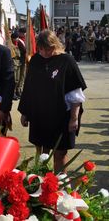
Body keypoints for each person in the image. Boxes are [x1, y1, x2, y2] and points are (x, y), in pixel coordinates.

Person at [18, 29, 86, 173]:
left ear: (55, 45)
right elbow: (29, 89)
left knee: (60, 153)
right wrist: (25, 113)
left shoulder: (67, 61)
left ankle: (60, 186)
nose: (44, 53)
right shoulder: (36, 60)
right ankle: (42, 188)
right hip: (40, 116)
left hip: (61, 117)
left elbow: (76, 94)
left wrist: (74, 119)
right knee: (42, 153)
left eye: (48, 49)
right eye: (41, 49)